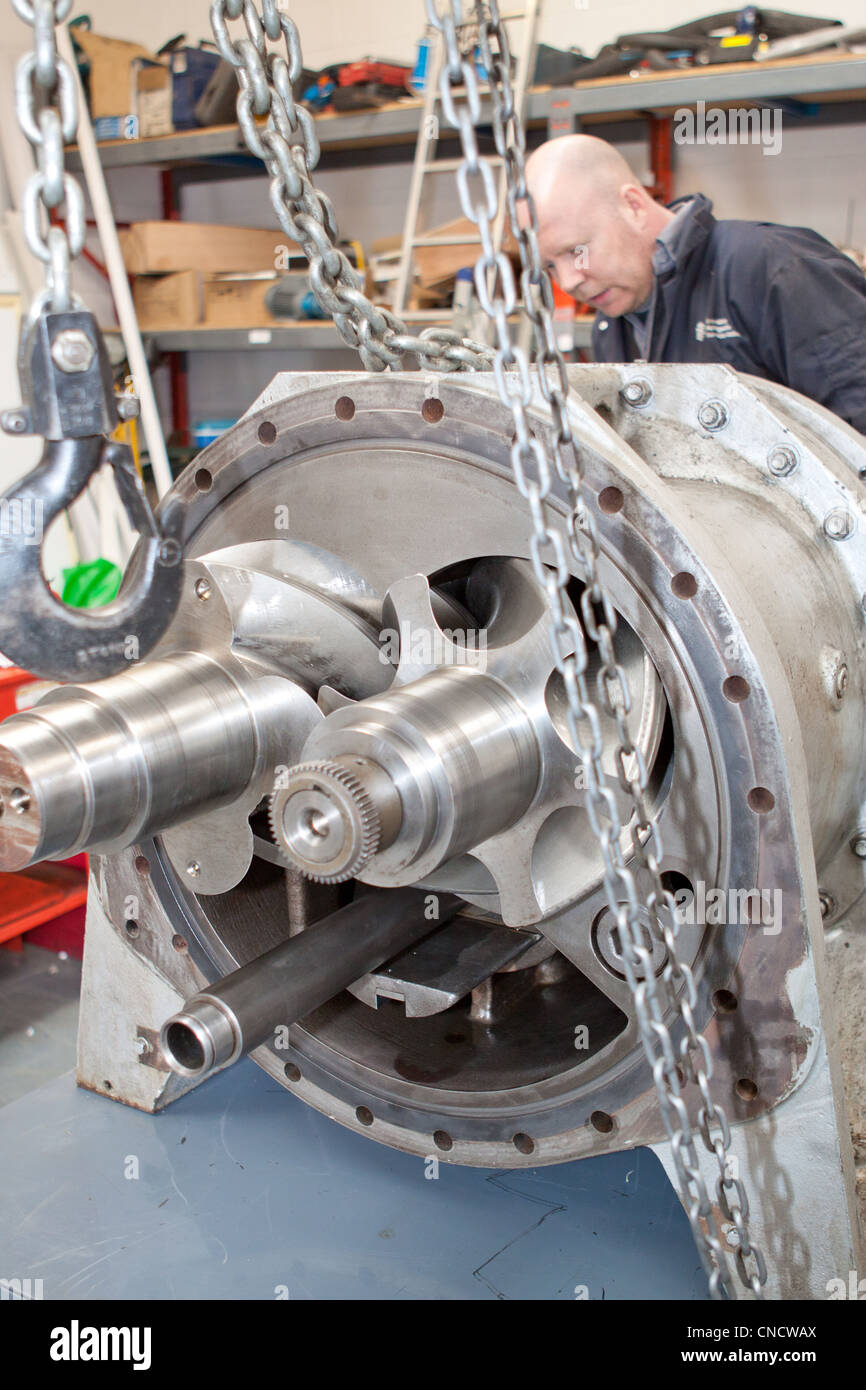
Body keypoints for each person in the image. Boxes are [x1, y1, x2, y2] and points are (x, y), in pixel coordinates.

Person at [523, 134, 866, 434]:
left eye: (576, 251)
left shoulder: (772, 269)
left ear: (633, 206)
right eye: (550, 265)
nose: (568, 280)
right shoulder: (611, 326)